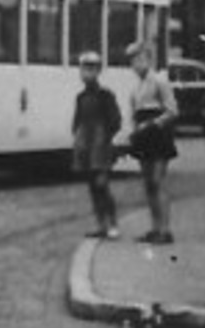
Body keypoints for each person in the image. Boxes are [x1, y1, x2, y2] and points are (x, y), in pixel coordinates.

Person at [126, 41, 180, 244]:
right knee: (148, 184)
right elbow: (133, 114)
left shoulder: (159, 81)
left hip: (158, 135)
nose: (136, 64)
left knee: (158, 181)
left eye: (140, 59)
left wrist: (153, 123)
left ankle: (165, 230)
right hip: (143, 137)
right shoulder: (135, 88)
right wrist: (132, 133)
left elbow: (173, 110)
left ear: (149, 59)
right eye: (132, 60)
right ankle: (154, 228)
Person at [71, 50, 123, 239]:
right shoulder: (81, 97)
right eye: (85, 69)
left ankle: (112, 223)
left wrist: (105, 138)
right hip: (86, 147)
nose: (87, 73)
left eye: (91, 69)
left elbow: (115, 120)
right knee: (93, 187)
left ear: (98, 71)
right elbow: (77, 121)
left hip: (100, 148)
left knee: (102, 185)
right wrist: (78, 138)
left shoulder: (105, 95)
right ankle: (101, 224)